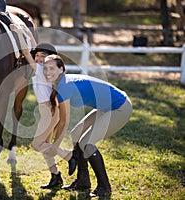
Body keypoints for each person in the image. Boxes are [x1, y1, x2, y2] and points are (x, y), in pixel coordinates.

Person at [42, 54, 133, 197]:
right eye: (45, 68)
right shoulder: (60, 84)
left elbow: (64, 121)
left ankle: (104, 186)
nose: (47, 72)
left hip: (120, 107)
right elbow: (58, 118)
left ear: (61, 69)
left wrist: (54, 146)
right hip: (106, 107)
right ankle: (83, 181)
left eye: (51, 68)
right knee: (76, 134)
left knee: (87, 143)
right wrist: (49, 140)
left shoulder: (64, 86)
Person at [10, 24, 78, 189]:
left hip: (49, 110)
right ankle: (55, 176)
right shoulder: (43, 69)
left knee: (37, 144)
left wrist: (19, 34)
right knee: (44, 145)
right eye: (38, 56)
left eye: (43, 56)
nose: (39, 58)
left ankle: (70, 156)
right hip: (48, 110)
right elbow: (32, 48)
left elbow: (26, 51)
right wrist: (27, 32)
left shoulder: (41, 69)